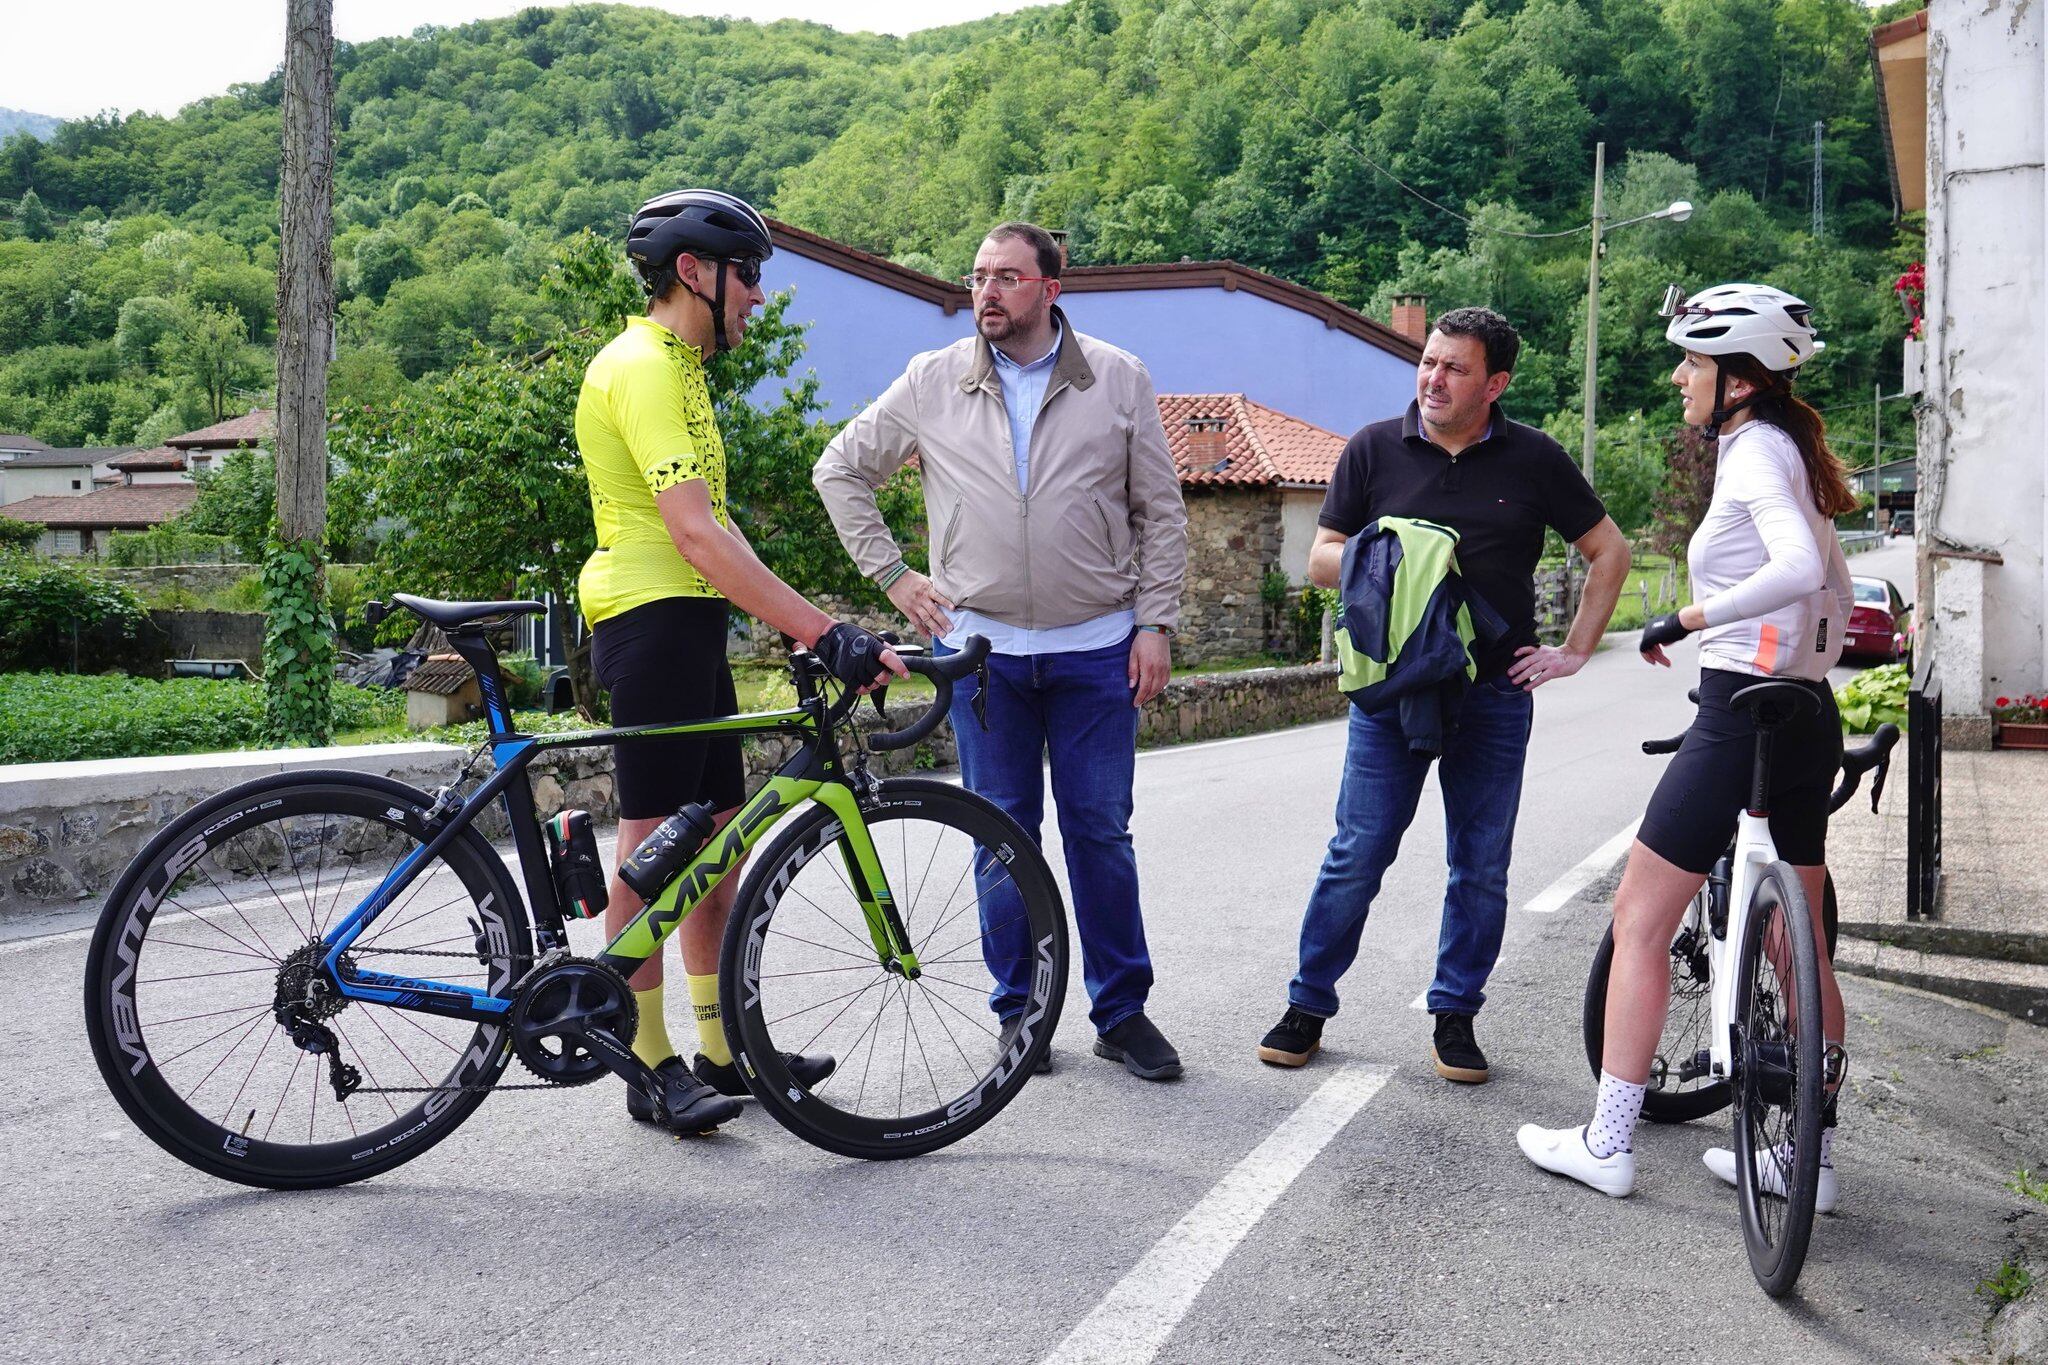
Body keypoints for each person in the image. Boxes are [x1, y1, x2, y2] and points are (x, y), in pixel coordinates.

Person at [813, 220, 1190, 1081]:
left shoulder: (1118, 378)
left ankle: (1122, 1012)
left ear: (1051, 289)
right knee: (1000, 835)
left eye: (1008, 277)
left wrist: (1155, 622)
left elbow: (1161, 515)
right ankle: (1019, 1009)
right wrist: (898, 580)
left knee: (1101, 833)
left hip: (1098, 648)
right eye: (979, 275)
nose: (987, 291)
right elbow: (839, 471)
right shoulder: (933, 378)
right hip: (982, 655)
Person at [1518, 282, 1856, 1200]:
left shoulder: (1752, 458)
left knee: (1639, 917)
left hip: (1739, 707)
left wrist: (1685, 616)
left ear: (1738, 380)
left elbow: (1790, 570)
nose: (1679, 376)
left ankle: (1609, 1141)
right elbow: (1837, 586)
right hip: (1806, 712)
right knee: (1803, 949)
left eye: (1694, 362)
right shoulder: (1793, 452)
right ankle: (1811, 1160)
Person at [576, 188, 904, 1136]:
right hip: (650, 616)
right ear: (693, 272)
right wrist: (824, 632)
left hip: (688, 620)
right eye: (748, 275)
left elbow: (720, 532)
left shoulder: (681, 367)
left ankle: (721, 1048)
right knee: (651, 846)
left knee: (719, 838)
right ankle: (645, 1058)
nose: (759, 296)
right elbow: (692, 534)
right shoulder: (641, 365)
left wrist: (812, 621)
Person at [1257, 307, 1630, 1083]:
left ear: (1495, 383)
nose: (1433, 378)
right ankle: (1307, 1005)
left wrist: (1574, 652)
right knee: (1356, 853)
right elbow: (1322, 558)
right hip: (1389, 694)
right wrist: (1399, 552)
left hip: (1493, 694)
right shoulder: (1371, 449)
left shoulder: (1534, 458)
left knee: (1480, 864)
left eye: (1455, 368)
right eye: (1428, 362)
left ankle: (1455, 1015)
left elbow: (1609, 552)